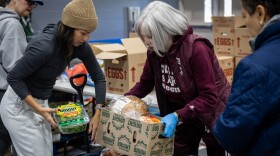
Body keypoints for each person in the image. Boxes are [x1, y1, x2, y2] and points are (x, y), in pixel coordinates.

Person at [124, 1, 231, 156]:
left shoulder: (197, 49)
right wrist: (123, 102)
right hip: (183, 115)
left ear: (165, 31)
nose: (146, 42)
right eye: (144, 37)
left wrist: (177, 115)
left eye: (150, 37)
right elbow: (145, 84)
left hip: (209, 113)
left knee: (215, 149)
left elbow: (208, 97)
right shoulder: (154, 52)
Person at [0, 0, 106, 155]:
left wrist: (98, 113)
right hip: (19, 106)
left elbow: (99, 77)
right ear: (69, 28)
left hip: (40, 103)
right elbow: (14, 77)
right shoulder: (45, 46)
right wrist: (38, 109)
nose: (86, 39)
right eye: (83, 33)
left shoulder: (79, 46)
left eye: (89, 33)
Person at [213, 0, 280, 155]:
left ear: (260, 13)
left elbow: (231, 133)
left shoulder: (254, 67)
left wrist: (218, 118)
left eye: (244, 16)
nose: (245, 24)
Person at [0, 0, 43, 155]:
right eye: (29, 1)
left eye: (34, 4)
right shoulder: (12, 24)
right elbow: (15, 66)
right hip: (6, 92)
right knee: (6, 137)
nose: (31, 6)